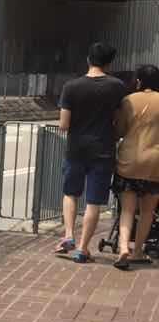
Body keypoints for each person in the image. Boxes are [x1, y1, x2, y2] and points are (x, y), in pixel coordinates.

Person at [55, 41, 127, 263]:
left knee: (70, 193)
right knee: (93, 202)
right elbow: (119, 121)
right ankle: (83, 249)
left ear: (88, 59)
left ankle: (69, 235)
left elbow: (64, 124)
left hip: (76, 149)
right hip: (103, 150)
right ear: (109, 63)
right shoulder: (117, 86)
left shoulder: (71, 86)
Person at [112, 63, 159, 269]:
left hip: (129, 161)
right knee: (148, 212)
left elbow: (119, 131)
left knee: (127, 210)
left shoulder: (128, 100)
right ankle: (138, 251)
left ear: (138, 81)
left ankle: (123, 247)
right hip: (155, 163)